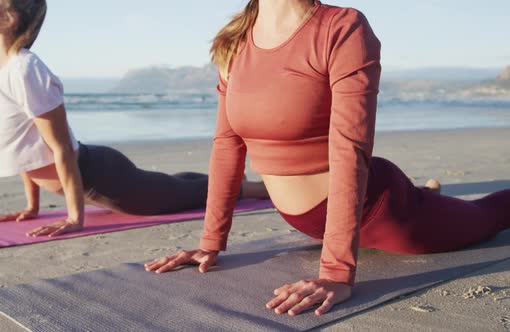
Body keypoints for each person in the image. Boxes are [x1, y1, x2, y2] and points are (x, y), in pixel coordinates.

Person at [145, 0, 510, 317]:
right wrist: (210, 243)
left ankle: (425, 197)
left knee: (489, 215)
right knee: (439, 202)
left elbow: (350, 149)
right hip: (313, 222)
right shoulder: (234, 42)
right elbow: (227, 145)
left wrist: (337, 273)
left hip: (383, 210)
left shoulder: (342, 27)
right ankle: (430, 192)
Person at [0, 0, 268, 237]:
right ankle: (226, 182)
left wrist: (74, 218)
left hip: (104, 180)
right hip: (98, 171)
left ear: (8, 17)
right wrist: (32, 207)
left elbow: (61, 149)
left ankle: (266, 189)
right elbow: (24, 143)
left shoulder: (25, 70)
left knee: (188, 195)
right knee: (173, 186)